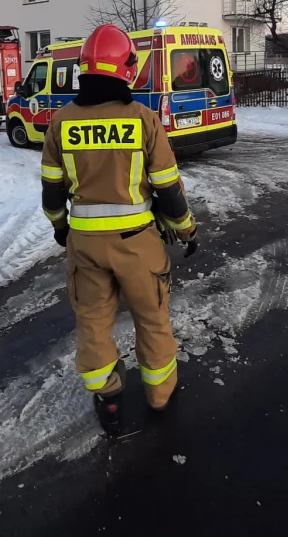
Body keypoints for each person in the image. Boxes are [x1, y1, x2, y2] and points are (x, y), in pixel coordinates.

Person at [40, 24, 198, 434]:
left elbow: (52, 190)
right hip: (138, 244)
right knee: (152, 318)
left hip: (85, 246)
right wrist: (186, 231)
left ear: (84, 68)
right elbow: (168, 190)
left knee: (92, 322)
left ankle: (107, 398)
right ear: (126, 69)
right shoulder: (143, 120)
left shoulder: (61, 122)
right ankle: (160, 395)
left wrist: (61, 228)